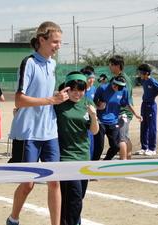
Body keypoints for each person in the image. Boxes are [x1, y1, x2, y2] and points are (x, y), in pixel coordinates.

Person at [6, 21, 69, 225]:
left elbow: (45, 95)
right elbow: (19, 100)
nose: (58, 46)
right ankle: (13, 218)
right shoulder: (29, 63)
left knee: (55, 181)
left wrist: (56, 97)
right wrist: (50, 100)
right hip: (28, 133)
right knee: (28, 184)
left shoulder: (52, 64)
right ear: (42, 40)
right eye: (55, 42)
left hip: (50, 132)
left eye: (60, 42)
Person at [55, 71, 98, 225]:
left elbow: (94, 131)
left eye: (81, 90)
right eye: (73, 89)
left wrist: (93, 116)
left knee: (78, 198)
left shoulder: (88, 103)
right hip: (66, 157)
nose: (77, 93)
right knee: (73, 197)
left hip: (84, 156)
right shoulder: (59, 104)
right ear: (67, 89)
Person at [93, 75, 141, 160]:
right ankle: (93, 165)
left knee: (116, 146)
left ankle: (106, 162)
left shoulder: (124, 90)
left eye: (121, 87)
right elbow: (93, 103)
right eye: (116, 86)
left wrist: (136, 114)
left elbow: (127, 104)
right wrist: (98, 106)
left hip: (114, 122)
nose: (118, 89)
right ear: (113, 83)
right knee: (99, 148)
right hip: (101, 121)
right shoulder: (102, 88)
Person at [106, 55, 136, 160]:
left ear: (118, 66)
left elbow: (123, 98)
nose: (109, 67)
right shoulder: (116, 78)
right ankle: (128, 157)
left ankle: (123, 162)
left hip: (123, 112)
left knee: (121, 139)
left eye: (111, 64)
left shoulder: (123, 79)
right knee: (125, 137)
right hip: (120, 112)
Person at [136, 63, 158, 156]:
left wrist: (155, 95)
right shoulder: (144, 81)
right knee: (143, 126)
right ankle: (144, 147)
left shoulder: (152, 81)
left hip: (151, 105)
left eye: (141, 72)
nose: (139, 74)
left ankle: (152, 148)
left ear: (146, 73)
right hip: (144, 105)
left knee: (151, 127)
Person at [80, 65, 96, 159]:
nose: (92, 80)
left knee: (91, 146)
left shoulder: (94, 89)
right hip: (82, 121)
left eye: (93, 78)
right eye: (89, 78)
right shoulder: (80, 90)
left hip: (91, 122)